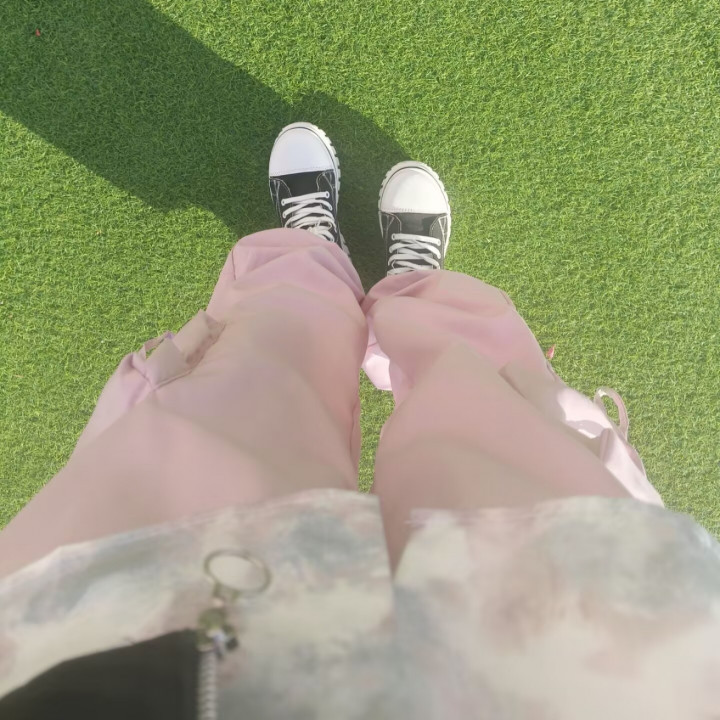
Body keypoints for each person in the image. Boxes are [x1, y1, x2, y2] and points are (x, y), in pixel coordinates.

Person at [0, 123, 718, 719]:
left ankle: (315, 269)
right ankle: (414, 298)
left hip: (99, 643)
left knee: (251, 389)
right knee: (494, 424)